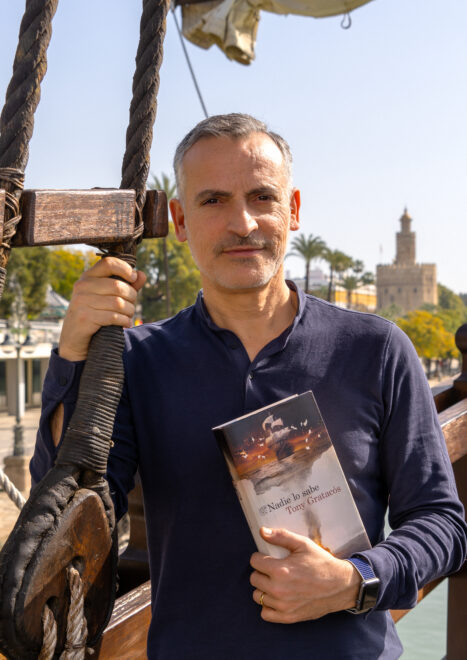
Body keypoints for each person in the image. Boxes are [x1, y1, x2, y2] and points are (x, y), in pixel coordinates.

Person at [31, 114, 466, 659]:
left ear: (294, 211)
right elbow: (63, 505)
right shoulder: (138, 361)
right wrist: (73, 352)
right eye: (213, 200)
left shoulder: (376, 348)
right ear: (181, 220)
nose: (242, 223)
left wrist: (356, 580)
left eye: (262, 196)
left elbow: (440, 523)